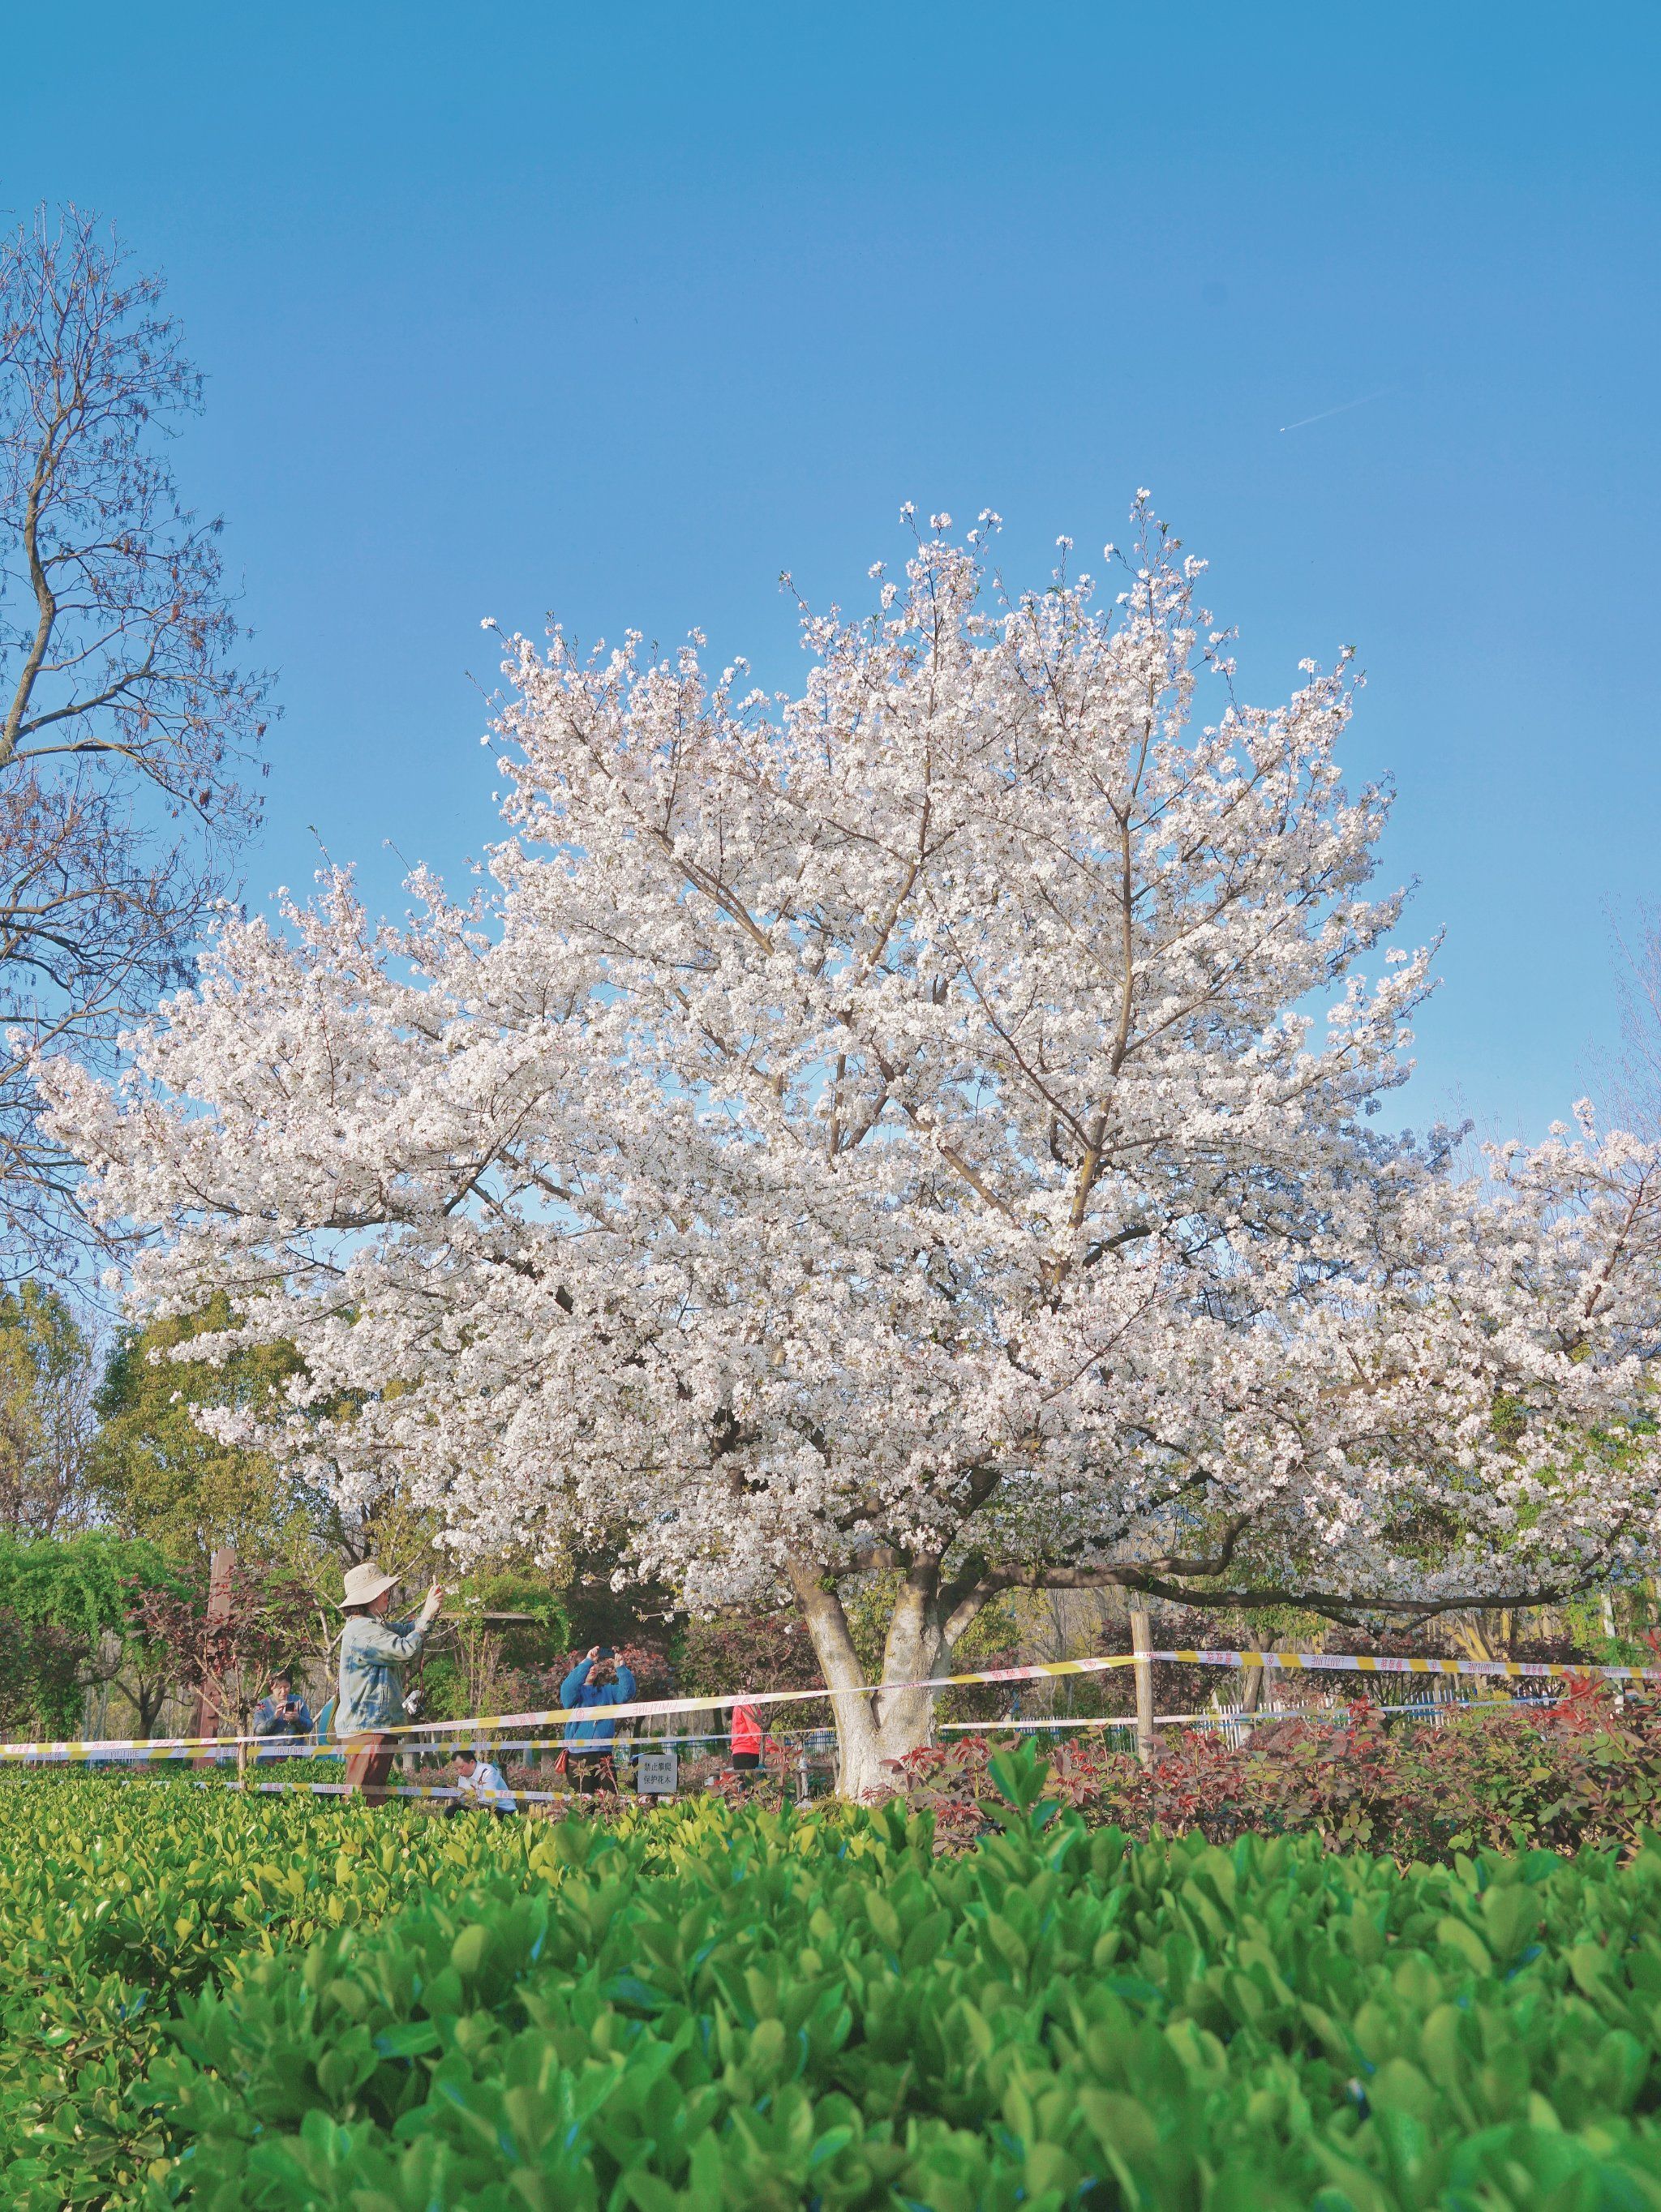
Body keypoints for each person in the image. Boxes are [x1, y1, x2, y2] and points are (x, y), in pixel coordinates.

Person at [334, 1561, 444, 1803]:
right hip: (368, 1727)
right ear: (369, 1596)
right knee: (363, 1800)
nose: (388, 1594)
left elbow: (406, 1631)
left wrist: (430, 1613)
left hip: (373, 1727)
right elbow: (405, 1649)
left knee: (368, 1796)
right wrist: (426, 1614)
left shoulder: (372, 1626)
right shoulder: (363, 1631)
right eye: (383, 1590)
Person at [557, 1644, 637, 1794]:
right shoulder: (574, 1693)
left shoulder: (607, 1690)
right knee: (586, 1805)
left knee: (612, 1803)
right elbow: (568, 1688)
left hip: (604, 1754)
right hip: (579, 1756)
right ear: (577, 1670)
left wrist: (621, 1669)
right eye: (587, 1665)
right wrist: (587, 1661)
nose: (592, 1667)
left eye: (594, 1664)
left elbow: (627, 1693)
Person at [251, 1672, 313, 1761]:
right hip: (269, 1758)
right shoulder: (261, 1704)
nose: (283, 1691)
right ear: (272, 1687)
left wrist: (298, 1719)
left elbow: (309, 1727)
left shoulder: (298, 1701)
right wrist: (275, 1718)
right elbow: (258, 1731)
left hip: (295, 1757)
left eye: (286, 1687)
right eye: (279, 1688)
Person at [453, 1746, 517, 1816]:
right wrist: (455, 1795)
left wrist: (468, 1797)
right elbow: (463, 1802)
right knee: (451, 1810)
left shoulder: (487, 1772)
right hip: (478, 1808)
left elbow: (489, 1800)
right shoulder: (462, 1777)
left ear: (472, 1762)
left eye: (461, 1767)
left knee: (483, 1811)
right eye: (456, 1769)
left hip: (502, 1810)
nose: (459, 1772)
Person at [730, 1698, 765, 1783]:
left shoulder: (738, 1705)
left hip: (739, 1753)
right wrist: (772, 1748)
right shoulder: (747, 1704)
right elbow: (757, 1733)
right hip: (749, 1753)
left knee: (745, 1790)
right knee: (755, 1789)